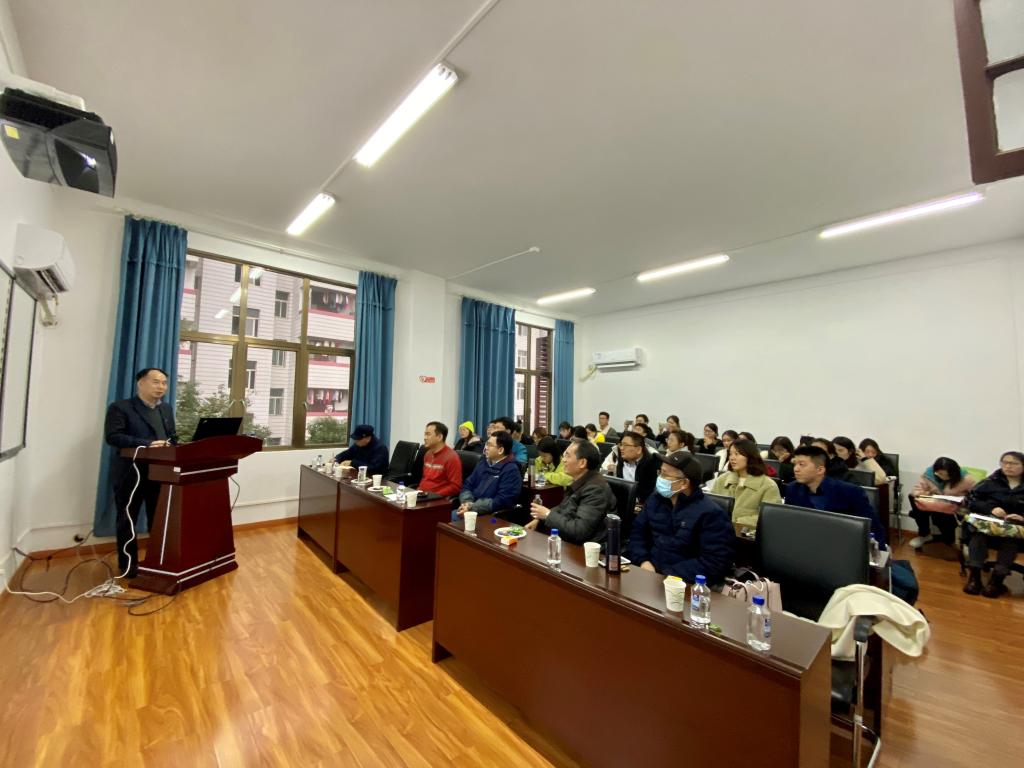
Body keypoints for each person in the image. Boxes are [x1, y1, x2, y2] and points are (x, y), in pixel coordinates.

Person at [104, 367, 177, 578]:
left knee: (159, 518)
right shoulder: (121, 408)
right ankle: (128, 566)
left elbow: (171, 436)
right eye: (156, 382)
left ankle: (158, 561)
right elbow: (113, 437)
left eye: (164, 383)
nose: (161, 387)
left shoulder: (166, 409)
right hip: (130, 473)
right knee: (127, 519)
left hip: (159, 472)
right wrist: (146, 444)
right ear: (141, 383)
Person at [626, 451, 734, 585]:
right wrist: (643, 561)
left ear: (684, 483)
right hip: (648, 573)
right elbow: (637, 533)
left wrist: (666, 575)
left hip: (683, 583)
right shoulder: (655, 499)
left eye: (665, 475)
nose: (660, 478)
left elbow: (714, 562)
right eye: (660, 472)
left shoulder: (711, 514)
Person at [784, 445, 887, 547]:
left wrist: (878, 552)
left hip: (842, 545)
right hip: (806, 543)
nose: (796, 469)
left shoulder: (850, 492)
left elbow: (873, 528)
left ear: (820, 470)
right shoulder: (793, 489)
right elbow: (790, 523)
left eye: (801, 464)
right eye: (795, 464)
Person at [528, 440, 616, 544]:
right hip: (568, 542)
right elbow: (563, 508)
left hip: (585, 548)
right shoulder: (579, 481)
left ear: (582, 463)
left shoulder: (595, 489)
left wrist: (547, 514)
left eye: (567, 456)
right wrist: (540, 519)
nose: (563, 460)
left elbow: (580, 531)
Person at [962, 451, 1024, 598]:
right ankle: (974, 578)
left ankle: (996, 581)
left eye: (1013, 463)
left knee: (1011, 541)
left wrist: (1021, 517)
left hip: (1016, 530)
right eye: (1005, 462)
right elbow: (970, 501)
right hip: (988, 526)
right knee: (978, 535)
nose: (1008, 466)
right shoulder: (990, 482)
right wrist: (990, 509)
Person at [710, 439, 782, 527]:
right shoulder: (722, 479)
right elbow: (711, 507)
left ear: (750, 456)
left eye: (737, 454)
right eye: (730, 454)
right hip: (719, 530)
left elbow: (770, 517)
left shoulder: (768, 485)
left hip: (749, 533)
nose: (732, 458)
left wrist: (738, 523)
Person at [908, 456, 977, 549]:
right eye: (940, 474)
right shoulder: (929, 475)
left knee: (941, 516)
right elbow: (916, 491)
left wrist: (963, 501)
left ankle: (951, 539)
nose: (943, 477)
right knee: (913, 498)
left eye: (947, 475)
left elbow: (976, 495)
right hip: (934, 504)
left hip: (954, 507)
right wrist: (928, 493)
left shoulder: (966, 479)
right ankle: (925, 534)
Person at [458, 431, 522, 515]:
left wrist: (472, 507)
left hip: (489, 515)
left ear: (500, 450)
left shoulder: (511, 470)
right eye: (486, 444)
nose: (485, 448)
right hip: (469, 509)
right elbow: (468, 484)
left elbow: (503, 500)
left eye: (489, 445)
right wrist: (466, 503)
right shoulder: (483, 462)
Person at [602, 430, 658, 503]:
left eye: (625, 445)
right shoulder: (621, 459)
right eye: (621, 444)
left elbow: (647, 494)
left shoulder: (651, 464)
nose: (621, 448)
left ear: (638, 450)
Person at [416, 421, 462, 497]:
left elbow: (455, 487)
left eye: (428, 434)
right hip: (422, 496)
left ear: (440, 437)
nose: (425, 438)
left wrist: (434, 495)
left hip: (436, 499)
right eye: (425, 434)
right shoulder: (428, 454)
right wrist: (417, 492)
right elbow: (425, 479)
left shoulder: (452, 457)